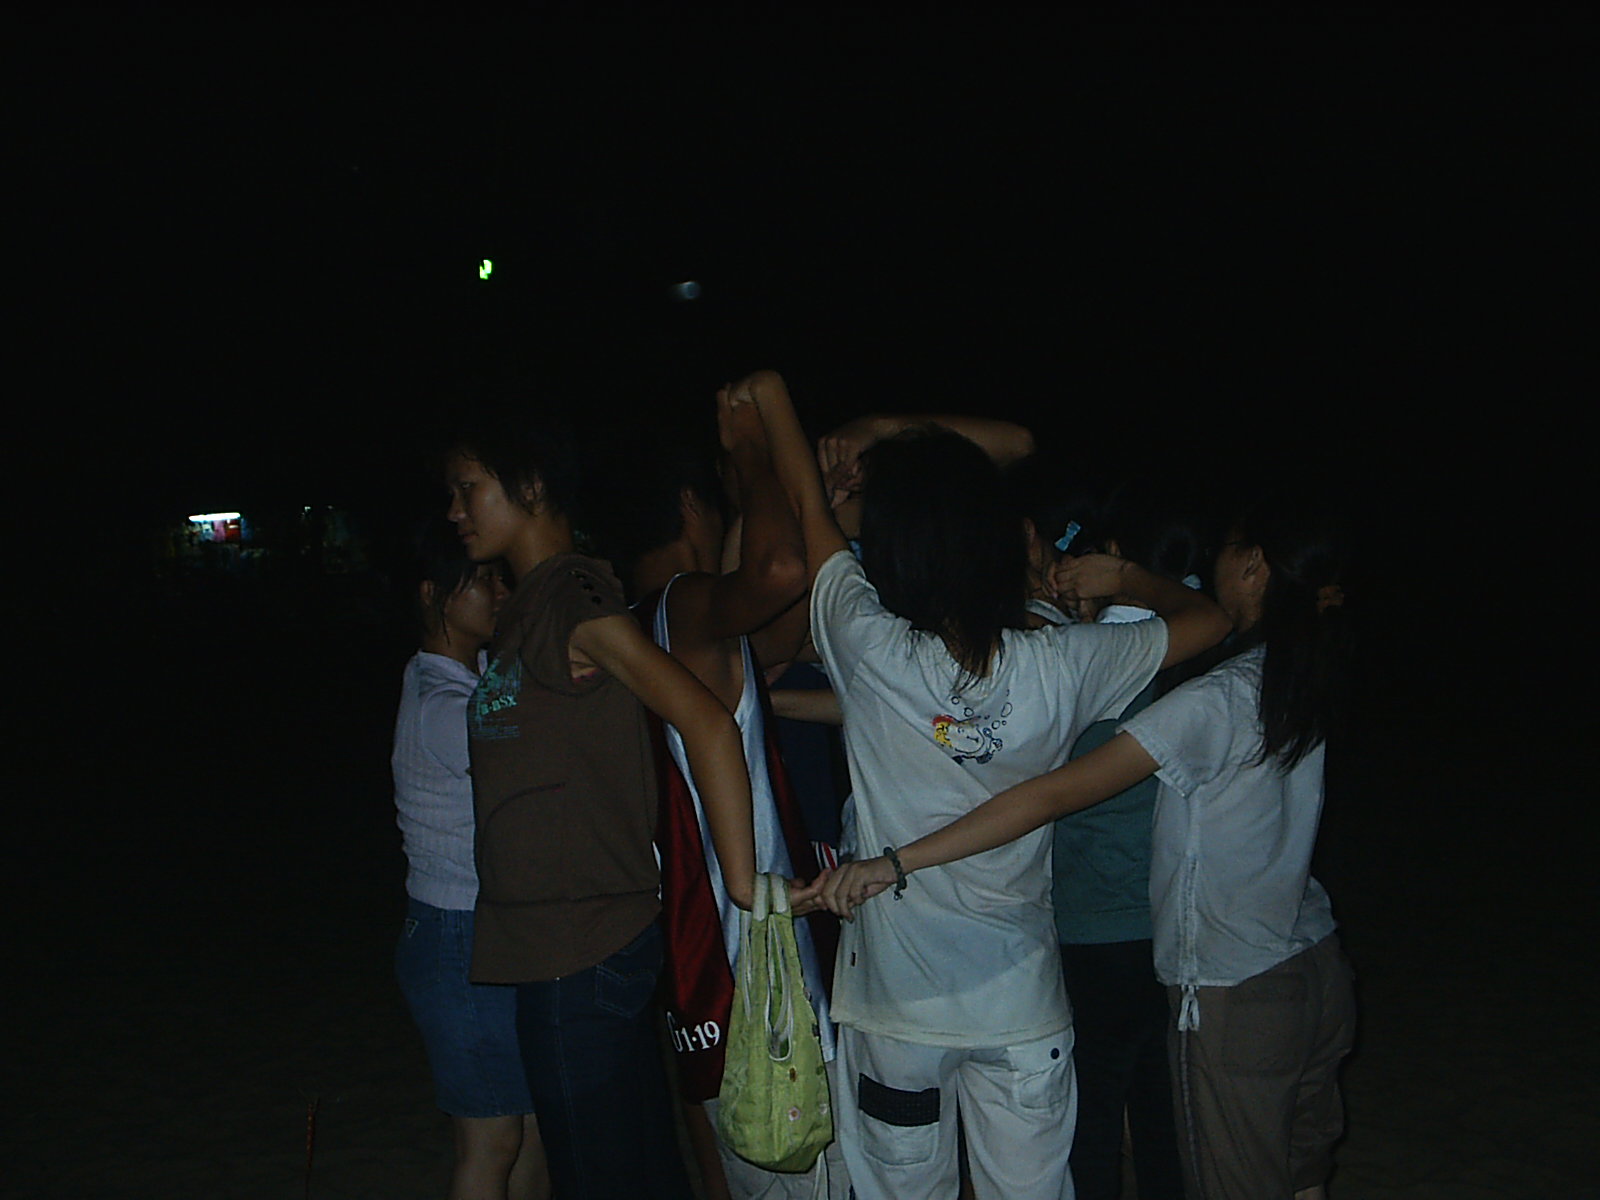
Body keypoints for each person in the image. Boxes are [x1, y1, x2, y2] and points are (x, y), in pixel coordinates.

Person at [738, 371, 1232, 1200]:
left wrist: (770, 400)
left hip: (898, 1011)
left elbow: (809, 515)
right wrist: (1124, 579)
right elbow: (1210, 621)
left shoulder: (869, 646)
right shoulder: (1060, 664)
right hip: (1020, 1008)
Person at [822, 497, 1357, 1200]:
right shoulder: (1293, 672)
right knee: (1295, 1173)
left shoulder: (1214, 696)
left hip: (1232, 981)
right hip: (1312, 955)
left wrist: (896, 861)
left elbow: (1047, 796)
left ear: (1255, 566)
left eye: (1228, 549)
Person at [445, 400, 794, 1200]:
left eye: (468, 488)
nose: (455, 510)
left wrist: (742, 885)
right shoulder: (532, 605)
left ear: (532, 486)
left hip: (579, 950)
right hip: (564, 947)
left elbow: (705, 720)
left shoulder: (571, 601)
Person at [582, 382, 844, 1200]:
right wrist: (754, 456)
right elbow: (781, 570)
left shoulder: (624, 631)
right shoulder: (686, 609)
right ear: (691, 507)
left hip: (692, 967)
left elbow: (786, 617)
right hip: (758, 964)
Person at [391, 519, 550, 1200]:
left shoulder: (464, 678)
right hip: (457, 936)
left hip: (481, 931)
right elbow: (524, 743)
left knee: (533, 1129)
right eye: (482, 580)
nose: (499, 590)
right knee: (492, 1140)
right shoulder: (443, 705)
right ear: (434, 594)